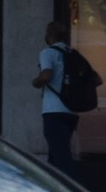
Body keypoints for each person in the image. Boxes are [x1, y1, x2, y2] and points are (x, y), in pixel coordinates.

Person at [32, 17, 79, 176]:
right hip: (71, 110)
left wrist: (36, 82)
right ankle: (53, 188)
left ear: (49, 35)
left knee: (60, 157)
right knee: (57, 153)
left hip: (53, 109)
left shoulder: (48, 53)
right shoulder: (73, 54)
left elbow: (46, 75)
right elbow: (96, 79)